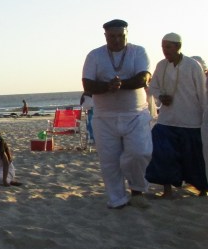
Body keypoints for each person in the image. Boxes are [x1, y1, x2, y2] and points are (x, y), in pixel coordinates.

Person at [82, 19, 152, 209]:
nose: (116, 40)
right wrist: (107, 86)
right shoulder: (95, 56)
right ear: (105, 36)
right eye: (112, 36)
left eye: (121, 35)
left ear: (127, 34)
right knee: (109, 161)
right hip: (104, 117)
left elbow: (143, 77)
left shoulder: (138, 51)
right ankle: (117, 199)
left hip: (135, 114)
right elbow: (87, 84)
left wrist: (120, 85)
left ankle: (137, 189)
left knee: (139, 152)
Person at [145, 33, 208, 198]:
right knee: (162, 153)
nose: (165, 51)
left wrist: (204, 116)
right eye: (163, 47)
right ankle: (167, 189)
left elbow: (202, 93)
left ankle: (202, 188)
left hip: (191, 120)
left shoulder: (193, 66)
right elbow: (154, 87)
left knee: (194, 156)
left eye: (168, 47)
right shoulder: (161, 65)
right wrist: (161, 96)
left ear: (178, 47)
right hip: (167, 120)